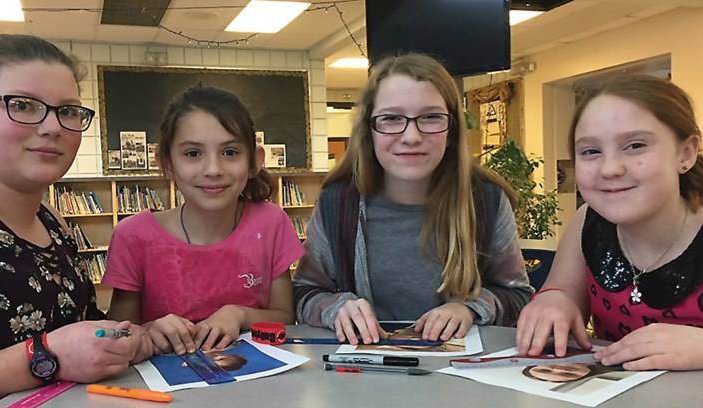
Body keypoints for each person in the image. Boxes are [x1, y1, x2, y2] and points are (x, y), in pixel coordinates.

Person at [0, 34, 151, 408]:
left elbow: (82, 329)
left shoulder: (54, 221)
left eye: (67, 110)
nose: (53, 127)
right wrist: (42, 357)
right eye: (22, 104)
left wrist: (139, 336)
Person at [292, 53, 532, 345]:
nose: (411, 136)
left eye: (430, 117)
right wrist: (335, 308)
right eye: (392, 119)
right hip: (359, 374)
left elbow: (518, 296)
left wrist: (469, 307)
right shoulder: (338, 204)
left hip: (460, 378)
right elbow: (304, 294)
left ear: (453, 130)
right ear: (369, 130)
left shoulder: (485, 201)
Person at [516, 74, 703, 371]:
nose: (610, 168)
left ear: (686, 153)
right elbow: (560, 291)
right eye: (591, 151)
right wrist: (553, 302)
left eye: (635, 145)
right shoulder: (586, 221)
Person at [103, 85, 304, 355]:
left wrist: (238, 315)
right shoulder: (133, 236)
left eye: (230, 152)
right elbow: (116, 332)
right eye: (193, 153)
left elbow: (285, 317)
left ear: (254, 161)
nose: (213, 169)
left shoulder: (270, 222)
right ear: (166, 164)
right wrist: (147, 330)